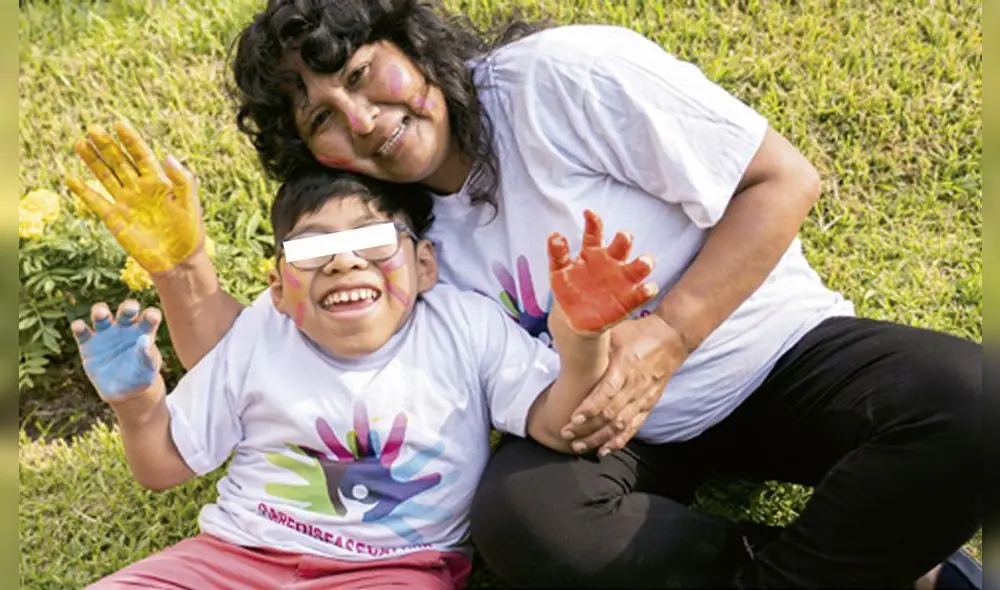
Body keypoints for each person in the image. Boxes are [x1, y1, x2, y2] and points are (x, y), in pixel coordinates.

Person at [66, 0, 984, 587]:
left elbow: (782, 181)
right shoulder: (388, 236)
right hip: (601, 423)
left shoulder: (563, 78)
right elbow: (263, 357)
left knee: (976, 400)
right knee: (524, 521)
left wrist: (668, 332)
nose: (364, 120)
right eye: (323, 118)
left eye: (361, 75)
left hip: (771, 355)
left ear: (409, 42)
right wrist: (183, 268)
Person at [70, 162, 659, 589]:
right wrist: (138, 406)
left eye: (373, 240)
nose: (344, 261)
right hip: (232, 557)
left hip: (394, 571)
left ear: (424, 264)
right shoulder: (259, 331)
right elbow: (163, 467)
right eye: (311, 251)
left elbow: (560, 424)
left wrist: (582, 340)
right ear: (278, 288)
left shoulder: (465, 323)